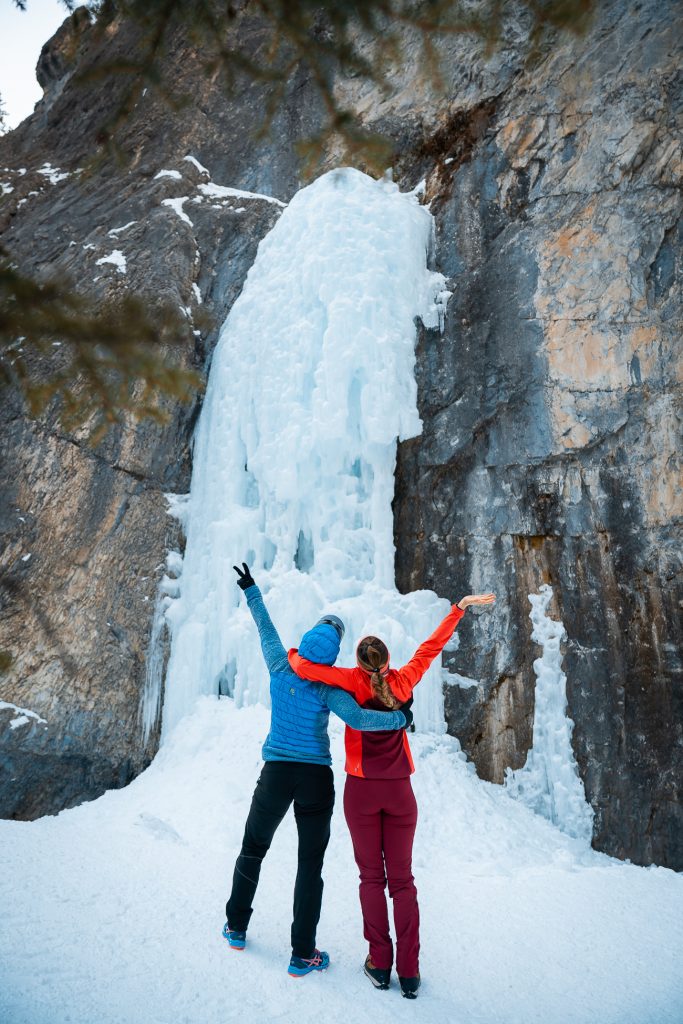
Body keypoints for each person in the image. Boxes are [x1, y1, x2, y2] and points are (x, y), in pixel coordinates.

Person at [288, 591, 496, 998]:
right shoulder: (402, 680)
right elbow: (430, 648)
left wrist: (294, 653)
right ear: (385, 661)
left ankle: (380, 964)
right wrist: (458, 610)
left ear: (361, 662)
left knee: (370, 877)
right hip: (401, 793)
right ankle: (411, 973)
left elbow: (306, 668)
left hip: (361, 793)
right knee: (403, 882)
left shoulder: (349, 679)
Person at [223, 563, 413, 979]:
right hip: (314, 779)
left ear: (308, 641)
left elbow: (265, 628)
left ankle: (236, 926)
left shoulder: (279, 664)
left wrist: (251, 588)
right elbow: (362, 722)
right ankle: (302, 953)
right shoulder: (331, 686)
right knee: (310, 864)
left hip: (275, 772)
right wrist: (399, 720)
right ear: (333, 654)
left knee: (253, 846)